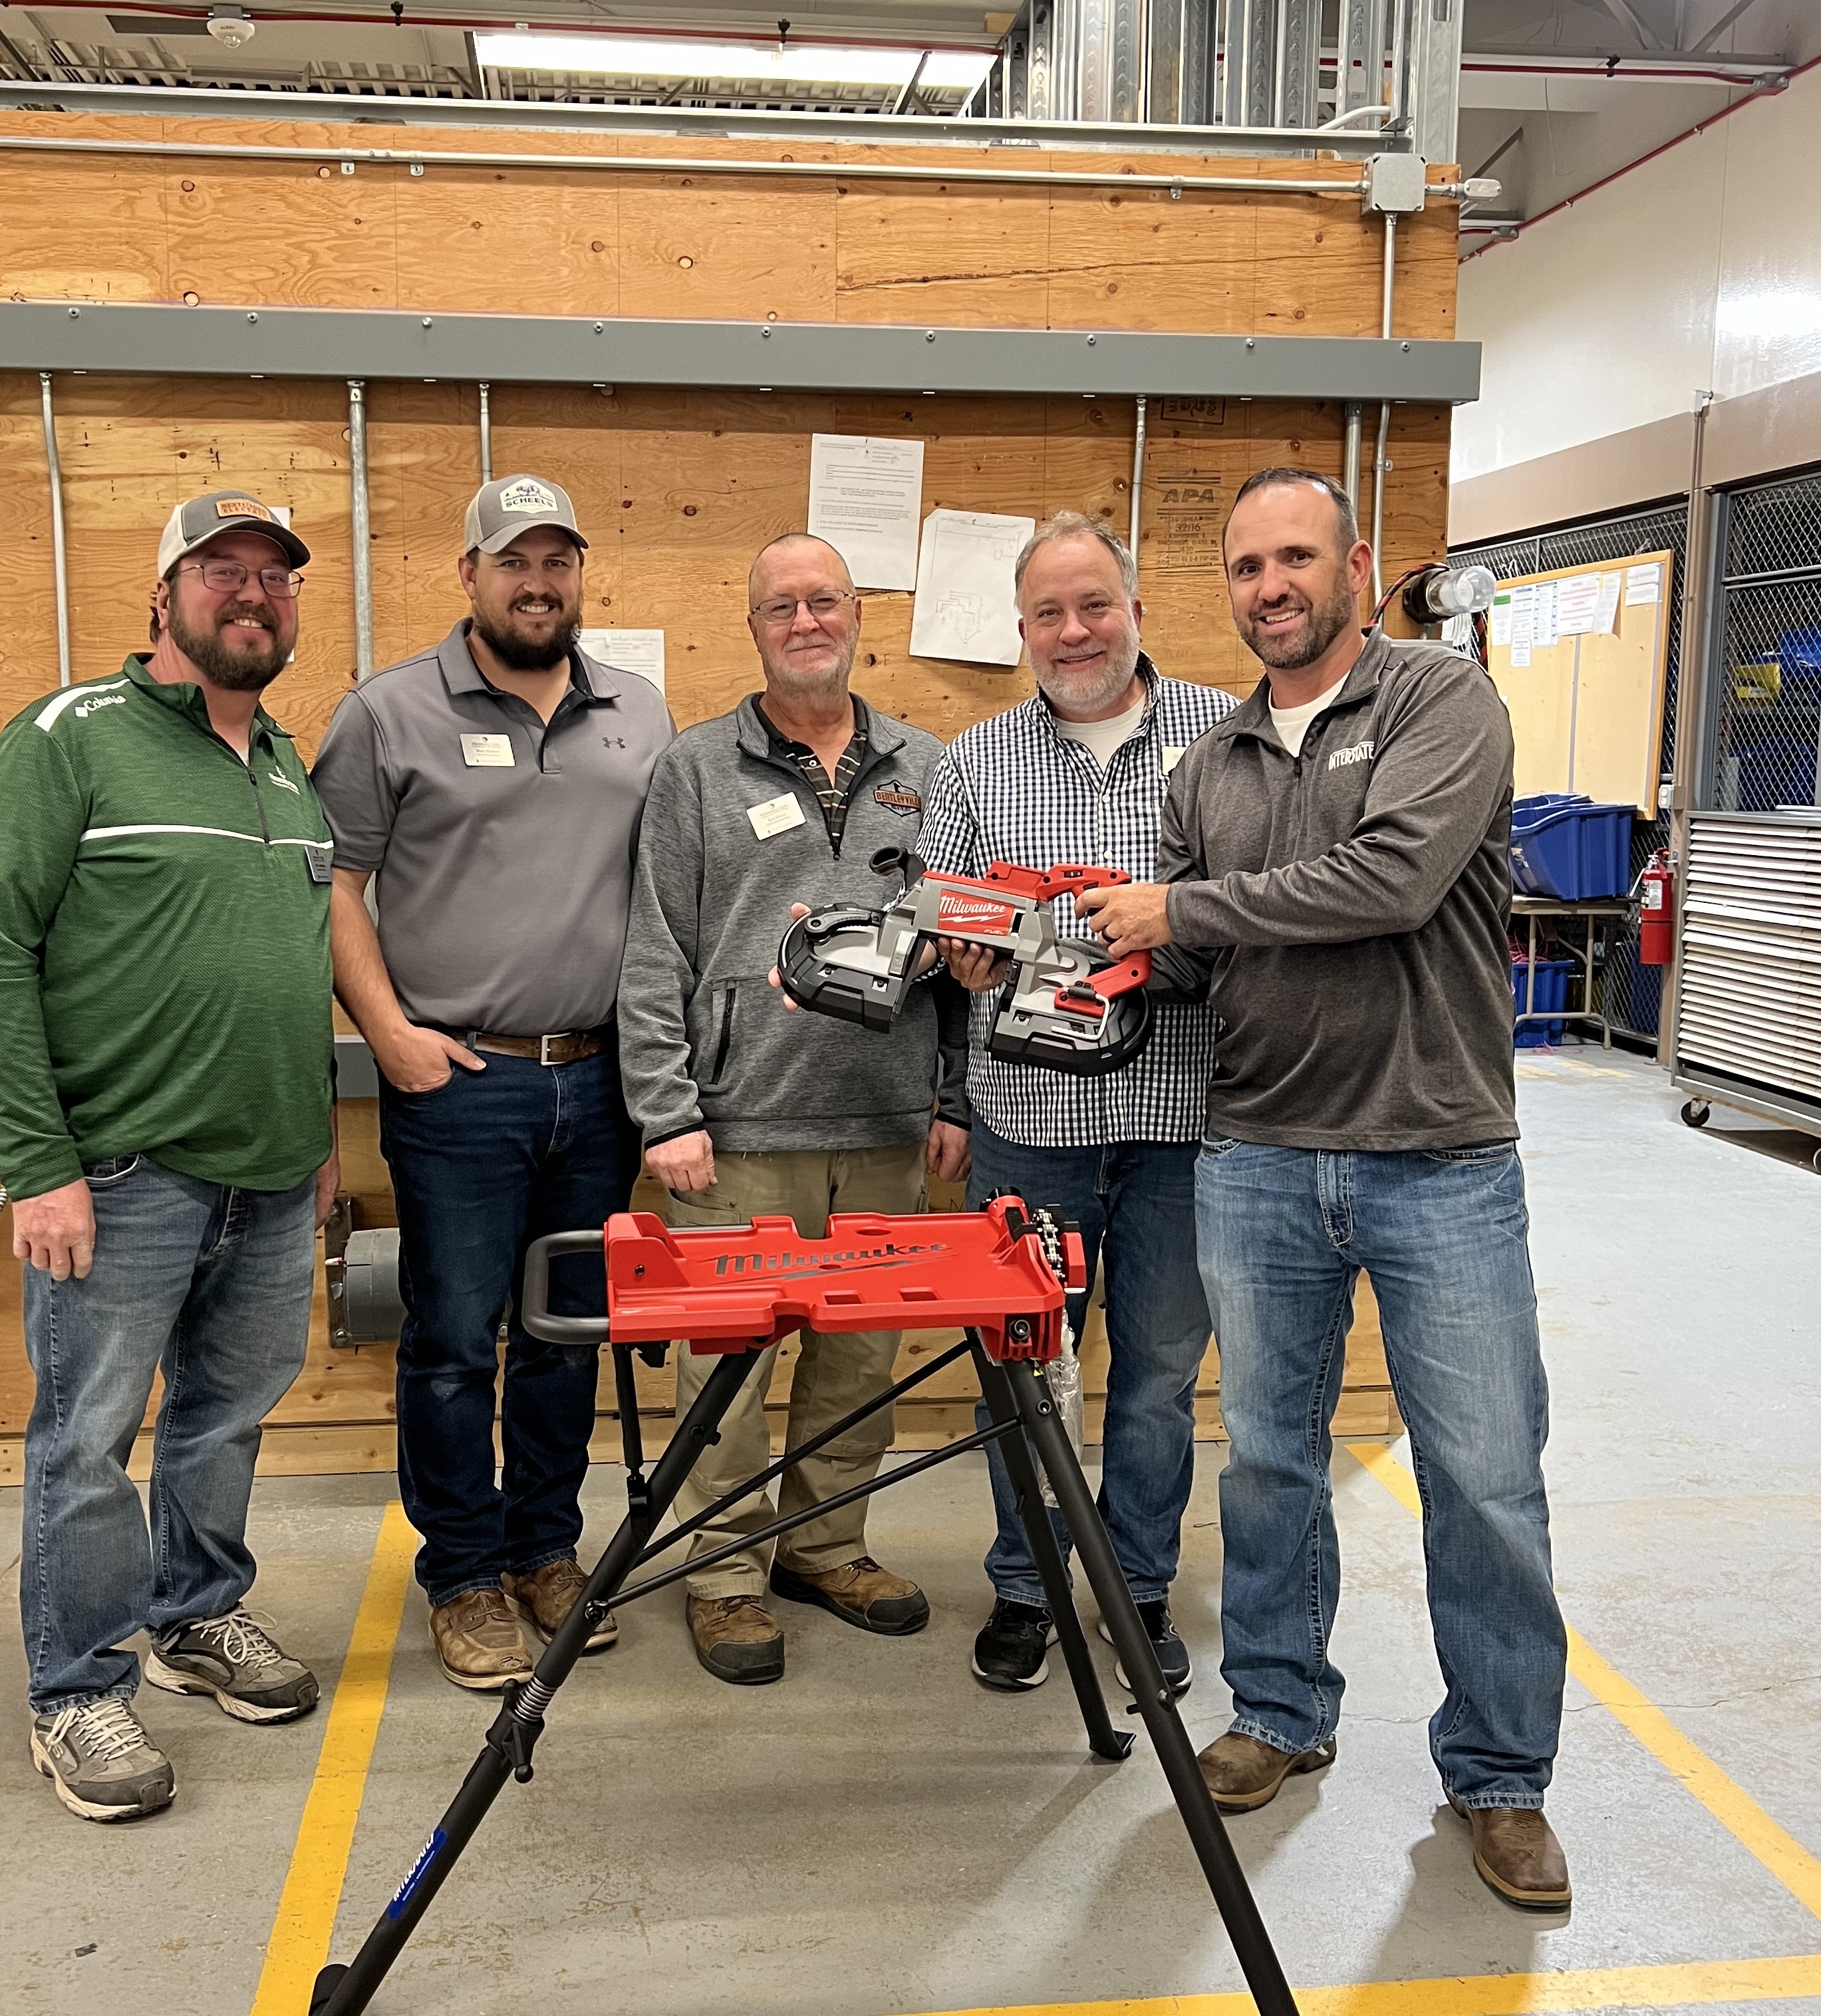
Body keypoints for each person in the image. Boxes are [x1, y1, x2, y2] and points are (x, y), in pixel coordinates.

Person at [1080, 466, 1571, 1910]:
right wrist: (1055, 954)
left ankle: (1500, 1776)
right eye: (1246, 566)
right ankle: (1280, 1711)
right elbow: (1178, 962)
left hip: (1439, 1155)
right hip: (1260, 1154)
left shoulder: (1437, 704)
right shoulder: (1208, 769)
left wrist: (1178, 910)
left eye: (1296, 557)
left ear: (1355, 563)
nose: (1272, 585)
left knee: (1483, 1479)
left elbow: (1395, 881)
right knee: (1275, 1459)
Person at [0, 491, 338, 1824]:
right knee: (90, 1441)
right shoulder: (69, 740)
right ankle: (74, 1690)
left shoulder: (285, 762)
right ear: (162, 596)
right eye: (221, 570)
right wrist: (39, 1164)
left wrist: (316, 1147)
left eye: (275, 576)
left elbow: (285, 968)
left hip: (274, 1175)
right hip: (121, 1176)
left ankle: (196, 1618)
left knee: (226, 1418)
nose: (253, 594)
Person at [313, 475, 672, 1695]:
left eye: (558, 561)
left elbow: (669, 895)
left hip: (600, 1082)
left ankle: (542, 1551)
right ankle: (463, 1574)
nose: (537, 583)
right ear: (467, 575)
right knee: (457, 1341)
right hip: (459, 1085)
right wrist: (390, 1034)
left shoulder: (641, 711)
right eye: (512, 561)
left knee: (566, 1334)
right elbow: (336, 889)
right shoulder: (387, 713)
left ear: (582, 575)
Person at [619, 535, 970, 1684]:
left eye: (824, 600)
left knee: (858, 1364)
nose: (805, 619)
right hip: (735, 1126)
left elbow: (966, 940)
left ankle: (826, 1546)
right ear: (755, 625)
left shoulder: (931, 764)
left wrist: (954, 1095)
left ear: (857, 614)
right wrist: (666, 1111)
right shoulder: (695, 767)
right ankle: (720, 1572)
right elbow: (655, 947)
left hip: (883, 1126)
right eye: (782, 605)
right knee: (725, 1378)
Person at [918, 511, 1236, 1696]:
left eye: (1094, 604)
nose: (1074, 630)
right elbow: (945, 922)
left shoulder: (1222, 736)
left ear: (1137, 611)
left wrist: (1166, 925)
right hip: (1029, 1127)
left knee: (1156, 1374)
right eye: (1048, 613)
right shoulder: (976, 759)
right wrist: (967, 956)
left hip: (1184, 1124)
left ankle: (1135, 1586)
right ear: (1021, 633)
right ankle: (1030, 1586)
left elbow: (1255, 905)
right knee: (1027, 1370)